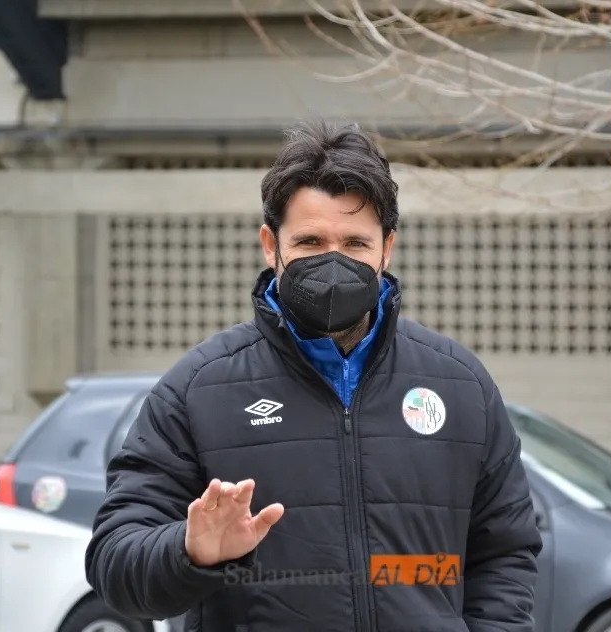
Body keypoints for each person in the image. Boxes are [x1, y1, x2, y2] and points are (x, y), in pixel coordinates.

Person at [85, 116, 543, 632]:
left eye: (354, 244)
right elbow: (114, 563)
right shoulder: (200, 390)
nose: (332, 263)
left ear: (387, 248)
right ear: (269, 244)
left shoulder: (459, 385)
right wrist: (189, 551)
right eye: (308, 242)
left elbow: (505, 554)